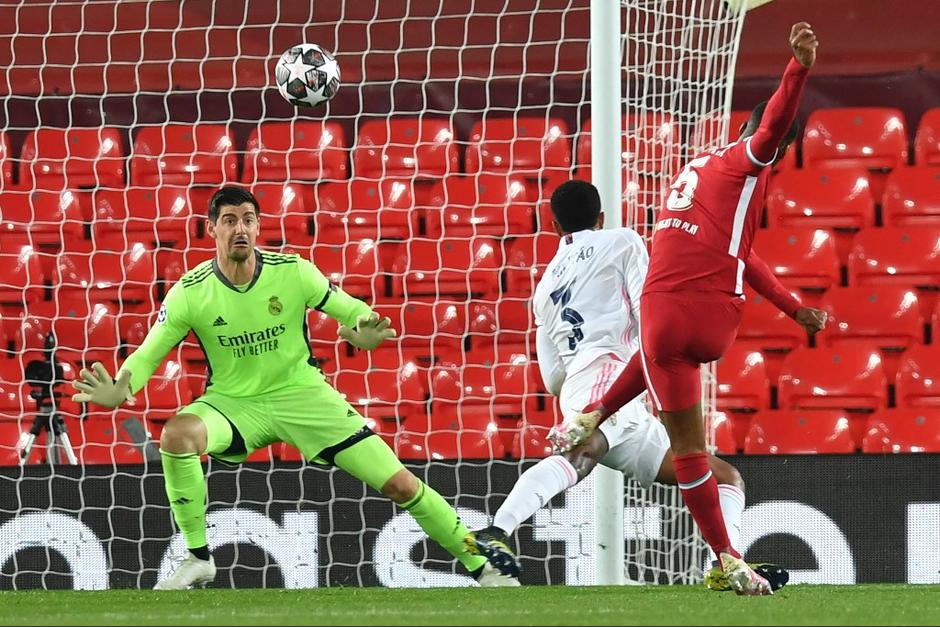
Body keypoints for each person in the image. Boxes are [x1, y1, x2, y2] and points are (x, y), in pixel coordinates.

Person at [71, 186, 518, 589]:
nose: (240, 228)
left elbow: (350, 309)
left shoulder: (293, 272)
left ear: (258, 226)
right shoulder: (191, 292)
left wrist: (363, 329)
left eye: (247, 219)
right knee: (177, 434)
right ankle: (197, 557)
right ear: (211, 229)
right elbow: (149, 352)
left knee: (400, 485)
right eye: (229, 220)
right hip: (234, 402)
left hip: (304, 397)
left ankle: (482, 564)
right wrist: (122, 388)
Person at [549, 22, 828, 595]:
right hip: (709, 314)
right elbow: (774, 123)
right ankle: (724, 557)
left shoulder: (699, 167)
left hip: (663, 312)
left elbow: (740, 251)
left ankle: (596, 416)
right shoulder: (752, 161)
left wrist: (794, 308)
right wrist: (797, 68)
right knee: (688, 428)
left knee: (683, 432)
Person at [464, 180, 788, 592]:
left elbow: (552, 378)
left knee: (722, 476)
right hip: (612, 372)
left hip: (590, 386)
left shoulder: (544, 288)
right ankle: (498, 530)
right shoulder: (622, 240)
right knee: (585, 450)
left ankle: (726, 562)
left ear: (553, 225)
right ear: (601, 218)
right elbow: (647, 305)